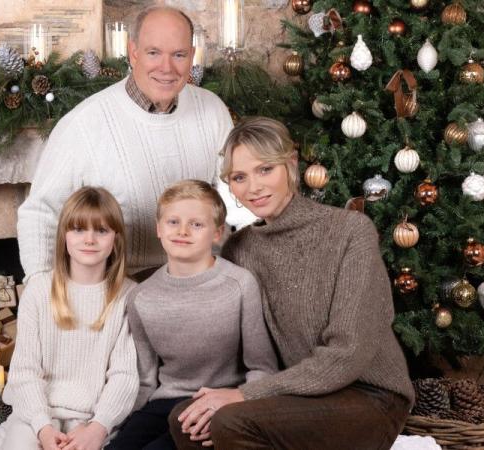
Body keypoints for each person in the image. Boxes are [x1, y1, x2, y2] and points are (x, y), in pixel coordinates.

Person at [171, 117, 415, 450]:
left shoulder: (350, 231)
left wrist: (245, 395)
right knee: (187, 419)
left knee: (230, 420)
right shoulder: (240, 248)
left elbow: (349, 353)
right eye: (239, 177)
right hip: (295, 397)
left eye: (265, 170)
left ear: (290, 164)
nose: (253, 187)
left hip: (369, 395)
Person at [16, 6, 251, 286]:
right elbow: (40, 213)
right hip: (120, 290)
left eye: (178, 55)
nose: (167, 68)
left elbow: (236, 196)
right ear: (134, 52)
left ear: (191, 56)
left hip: (201, 280)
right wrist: (41, 290)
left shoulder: (212, 109)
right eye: (154, 53)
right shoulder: (83, 123)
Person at [107, 180, 277, 450]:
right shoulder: (141, 297)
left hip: (221, 402)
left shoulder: (240, 284)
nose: (183, 231)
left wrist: (236, 402)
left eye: (196, 224)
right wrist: (117, 426)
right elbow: (145, 378)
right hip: (163, 403)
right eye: (173, 222)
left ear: (217, 233)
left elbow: (262, 367)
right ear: (159, 229)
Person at [0, 187, 139, 450]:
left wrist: (99, 427)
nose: (90, 239)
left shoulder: (128, 297)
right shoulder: (39, 291)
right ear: (63, 235)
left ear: (116, 239)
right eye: (79, 229)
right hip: (35, 417)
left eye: (102, 230)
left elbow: (125, 376)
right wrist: (43, 427)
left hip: (92, 421)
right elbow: (25, 371)